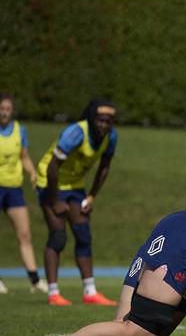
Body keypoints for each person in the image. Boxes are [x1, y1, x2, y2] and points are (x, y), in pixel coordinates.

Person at [35, 98, 119, 306]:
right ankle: (53, 293)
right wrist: (54, 201)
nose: (104, 125)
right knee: (58, 236)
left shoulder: (111, 136)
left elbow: (104, 168)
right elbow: (52, 167)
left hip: (74, 186)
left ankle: (90, 292)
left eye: (108, 121)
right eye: (100, 120)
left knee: (83, 234)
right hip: (49, 182)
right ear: (92, 118)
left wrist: (91, 197)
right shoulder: (75, 133)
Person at [0, 93, 43, 295]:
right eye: (1, 108)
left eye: (8, 109)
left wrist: (32, 173)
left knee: (25, 234)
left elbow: (24, 157)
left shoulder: (19, 130)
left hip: (14, 189)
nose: (4, 112)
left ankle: (34, 280)